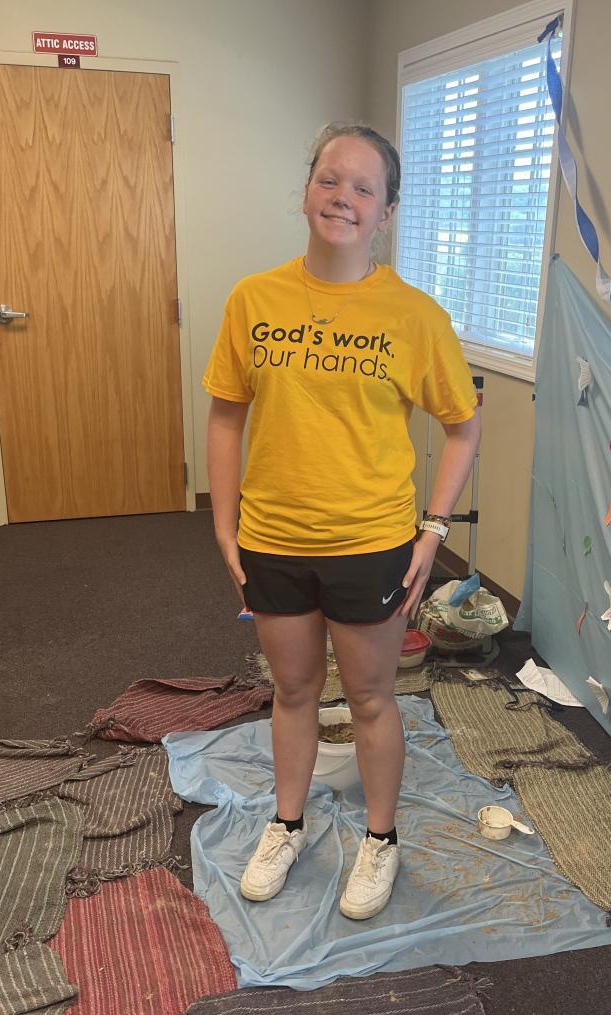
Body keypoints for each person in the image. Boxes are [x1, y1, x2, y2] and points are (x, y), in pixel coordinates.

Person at [203, 122, 481, 921]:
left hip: (371, 544)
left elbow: (462, 426)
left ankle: (380, 839)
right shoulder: (254, 299)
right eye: (329, 180)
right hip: (274, 539)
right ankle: (286, 824)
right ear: (305, 192)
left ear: (386, 212)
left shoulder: (414, 316)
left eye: (364, 188)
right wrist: (225, 526)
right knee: (293, 691)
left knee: (369, 698)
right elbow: (227, 415)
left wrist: (434, 529)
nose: (343, 198)